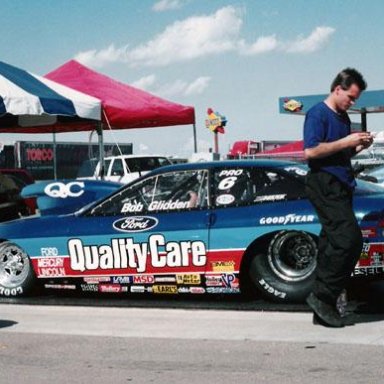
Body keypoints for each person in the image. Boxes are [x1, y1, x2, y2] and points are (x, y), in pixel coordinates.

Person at [303, 68, 373, 327]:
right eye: (350, 97)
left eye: (356, 99)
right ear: (337, 89)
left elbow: (339, 153)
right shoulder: (317, 114)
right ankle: (322, 295)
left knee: (332, 243)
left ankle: (324, 305)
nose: (352, 103)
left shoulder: (343, 118)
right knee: (349, 241)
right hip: (324, 183)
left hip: (341, 184)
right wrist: (346, 142)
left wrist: (357, 146)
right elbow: (311, 151)